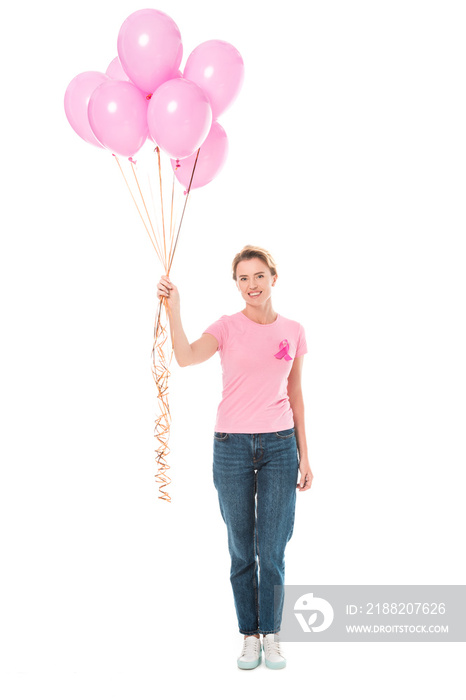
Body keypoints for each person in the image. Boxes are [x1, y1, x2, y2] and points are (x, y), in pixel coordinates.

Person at [156, 244, 313, 670]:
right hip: (231, 447)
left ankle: (273, 634)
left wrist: (305, 454)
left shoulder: (294, 330)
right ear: (236, 284)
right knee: (242, 549)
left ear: (273, 278)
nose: (251, 285)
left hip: (280, 445)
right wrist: (175, 308)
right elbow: (186, 358)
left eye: (258, 276)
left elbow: (295, 394)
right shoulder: (226, 327)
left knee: (272, 547)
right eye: (243, 278)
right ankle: (249, 635)